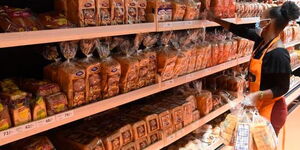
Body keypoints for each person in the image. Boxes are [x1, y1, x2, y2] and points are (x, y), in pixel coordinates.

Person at [207, 1, 300, 135]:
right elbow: (240, 30)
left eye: (260, 19)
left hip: (271, 111)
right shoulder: (262, 41)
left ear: (267, 23)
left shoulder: (278, 54)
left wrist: (257, 95)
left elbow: (282, 87)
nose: (258, 22)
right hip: (257, 106)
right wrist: (214, 19)